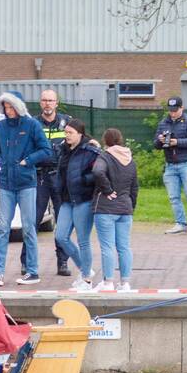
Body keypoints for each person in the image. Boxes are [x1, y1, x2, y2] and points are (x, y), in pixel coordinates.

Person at [0, 92, 52, 286]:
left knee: (29, 228)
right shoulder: (0, 127)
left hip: (26, 183)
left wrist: (27, 161)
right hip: (7, 183)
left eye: (11, 107)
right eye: (5, 108)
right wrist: (0, 162)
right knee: (2, 228)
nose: (8, 111)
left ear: (18, 107)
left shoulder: (32, 125)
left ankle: (32, 272)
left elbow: (46, 150)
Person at [20, 88, 71, 277]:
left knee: (63, 221)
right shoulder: (32, 123)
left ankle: (63, 262)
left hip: (60, 176)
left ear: (57, 103)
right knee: (32, 221)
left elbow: (77, 143)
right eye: (44, 100)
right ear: (40, 103)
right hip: (39, 176)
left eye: (51, 100)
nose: (47, 104)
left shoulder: (67, 122)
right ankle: (27, 262)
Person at [55, 119, 100, 291]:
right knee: (61, 236)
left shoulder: (90, 150)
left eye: (70, 133)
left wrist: (84, 180)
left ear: (80, 134)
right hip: (66, 199)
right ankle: (85, 269)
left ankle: (87, 279)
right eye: (66, 132)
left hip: (83, 200)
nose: (67, 136)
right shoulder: (63, 150)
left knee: (83, 240)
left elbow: (99, 171)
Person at [92, 128, 138, 292]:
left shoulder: (105, 157)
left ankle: (108, 282)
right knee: (124, 247)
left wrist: (107, 190)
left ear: (106, 141)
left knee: (107, 247)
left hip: (106, 208)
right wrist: (130, 206)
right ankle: (125, 283)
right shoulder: (130, 160)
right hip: (125, 209)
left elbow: (97, 171)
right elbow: (134, 188)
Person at [154, 96, 187, 235]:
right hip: (170, 165)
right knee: (174, 197)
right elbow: (155, 144)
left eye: (175, 110)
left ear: (182, 108)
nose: (173, 113)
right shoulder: (163, 123)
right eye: (171, 110)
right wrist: (160, 141)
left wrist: (177, 142)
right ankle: (180, 224)